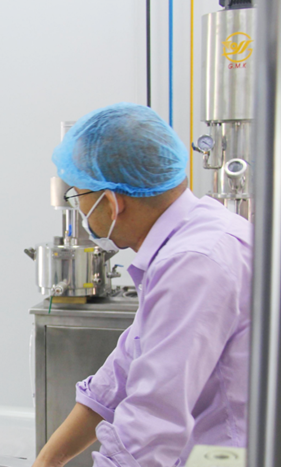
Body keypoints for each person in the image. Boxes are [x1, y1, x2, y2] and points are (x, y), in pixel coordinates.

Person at [33, 103, 251, 467]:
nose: (80, 211)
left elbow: (151, 425)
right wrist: (46, 462)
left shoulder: (194, 263)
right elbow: (118, 375)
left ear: (111, 202)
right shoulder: (190, 239)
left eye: (79, 196)